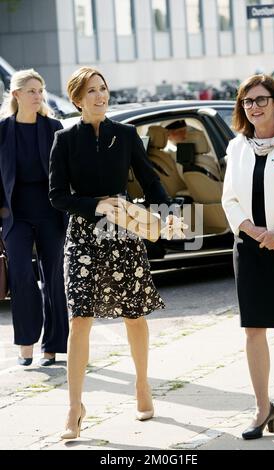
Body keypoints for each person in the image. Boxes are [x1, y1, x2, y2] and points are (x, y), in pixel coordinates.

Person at [49, 67, 177, 440]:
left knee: (133, 315)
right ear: (77, 99)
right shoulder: (64, 139)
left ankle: (141, 384)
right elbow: (57, 196)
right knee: (79, 319)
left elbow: (150, 179)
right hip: (84, 234)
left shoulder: (125, 135)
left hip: (124, 229)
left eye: (103, 89)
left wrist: (167, 214)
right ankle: (75, 406)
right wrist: (95, 204)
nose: (100, 96)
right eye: (92, 91)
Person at [222, 74, 274, 440]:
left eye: (261, 99)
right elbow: (229, 199)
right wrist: (255, 233)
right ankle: (262, 407)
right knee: (254, 329)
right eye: (247, 101)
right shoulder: (237, 147)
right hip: (251, 248)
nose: (254, 107)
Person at [0, 69, 69, 366]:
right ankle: (26, 342)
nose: (38, 95)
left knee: (53, 277)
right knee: (21, 277)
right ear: (16, 95)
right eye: (31, 91)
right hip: (14, 216)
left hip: (50, 214)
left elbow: (67, 174)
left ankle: (52, 346)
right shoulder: (2, 131)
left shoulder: (54, 128)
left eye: (40, 90)